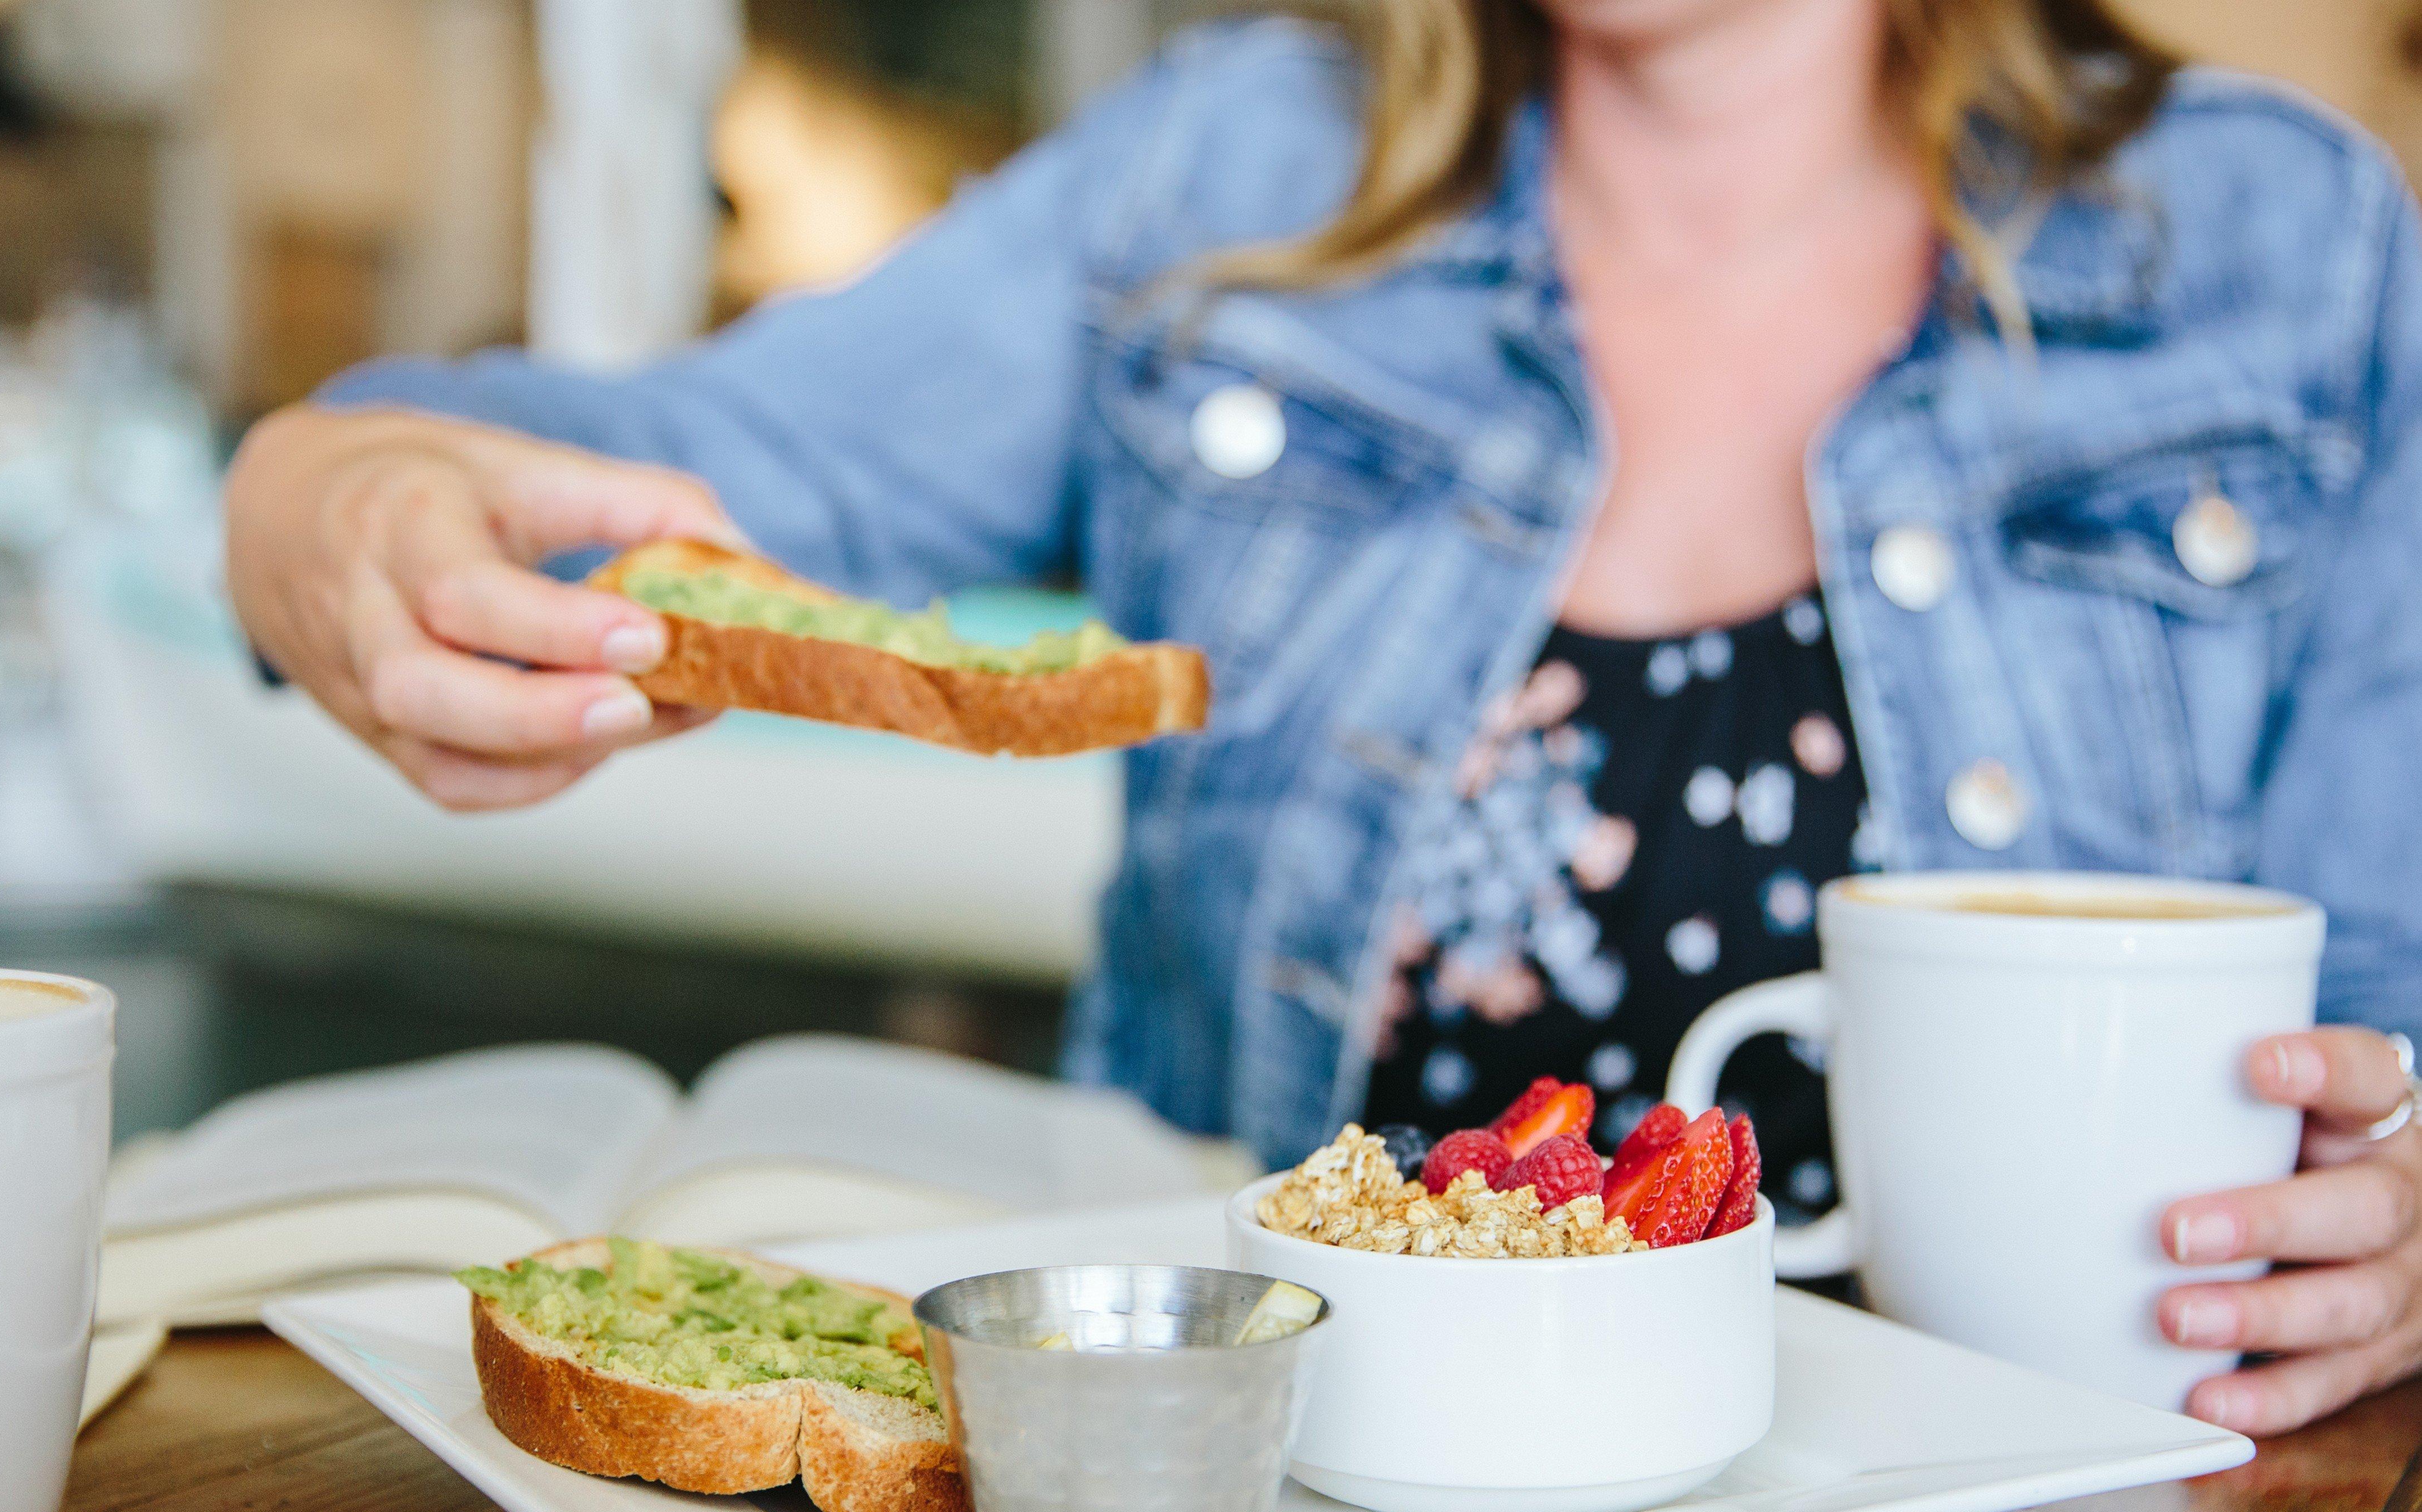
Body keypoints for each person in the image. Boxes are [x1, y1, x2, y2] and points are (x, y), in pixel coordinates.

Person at [225, 0, 2422, 1438]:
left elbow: (2390, 997)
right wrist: (322, 490)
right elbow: (659, 476)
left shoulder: (2284, 238)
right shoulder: (1227, 173)